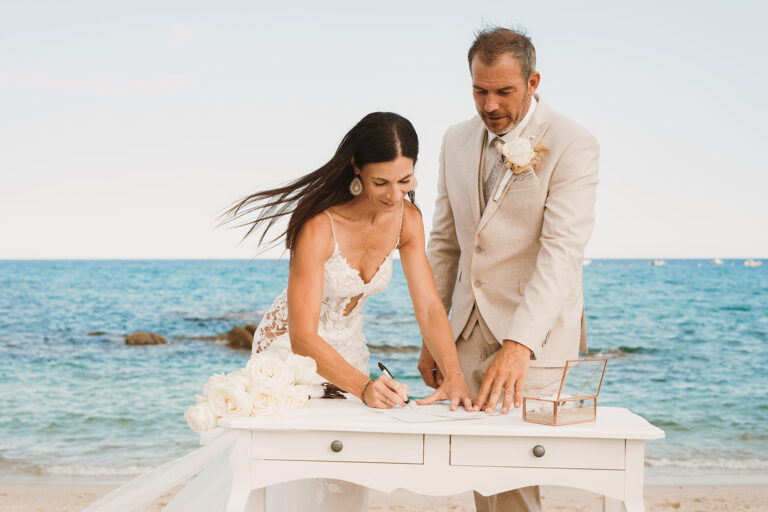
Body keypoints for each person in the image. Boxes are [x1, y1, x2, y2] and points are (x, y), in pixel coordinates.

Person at [84, 112, 475, 512]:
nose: (395, 195)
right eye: (381, 183)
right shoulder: (319, 227)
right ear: (357, 168)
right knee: (292, 478)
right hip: (290, 358)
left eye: (405, 181)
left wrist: (455, 376)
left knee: (349, 477)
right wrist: (363, 387)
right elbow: (302, 335)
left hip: (349, 351)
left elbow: (428, 305)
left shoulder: (407, 221)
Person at [419, 27, 599, 512]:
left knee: (517, 474)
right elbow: (443, 246)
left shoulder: (572, 143)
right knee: (482, 471)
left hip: (533, 338)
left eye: (504, 91)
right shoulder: (455, 140)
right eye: (480, 90)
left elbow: (561, 253)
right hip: (464, 332)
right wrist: (432, 337)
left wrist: (520, 347)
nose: (490, 104)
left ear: (533, 81)